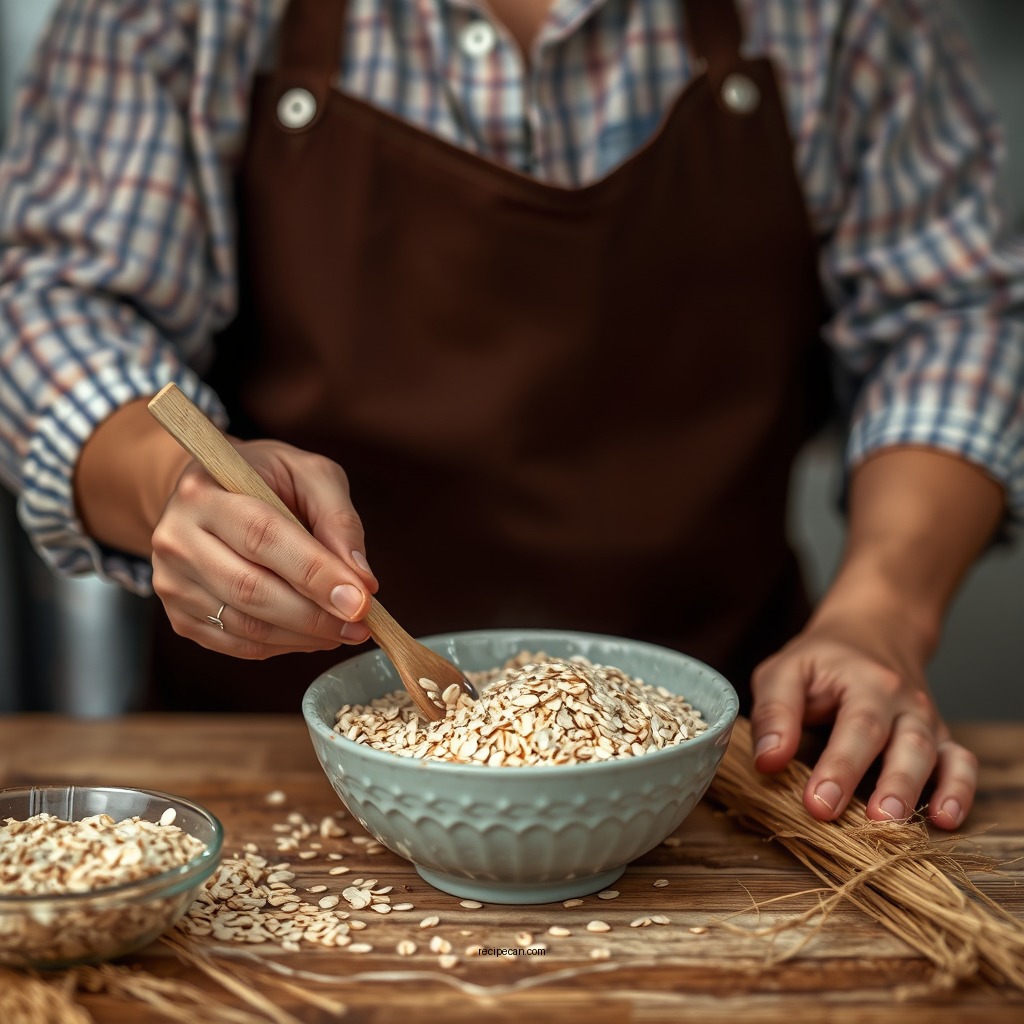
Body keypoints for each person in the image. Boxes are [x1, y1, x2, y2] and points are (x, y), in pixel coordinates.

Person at [0, 0, 1021, 833]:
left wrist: (882, 608)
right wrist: (167, 484)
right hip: (265, 766)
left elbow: (950, 315)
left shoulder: (842, 20)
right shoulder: (177, 16)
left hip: (740, 761)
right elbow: (58, 301)